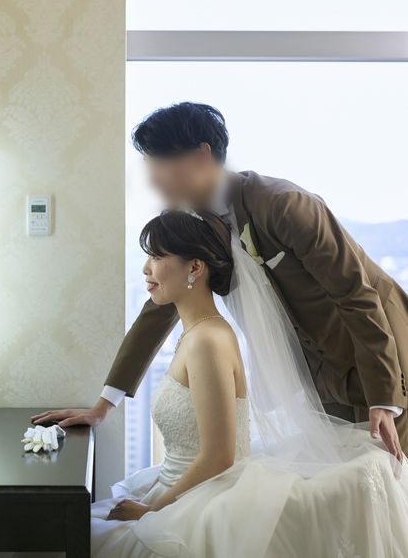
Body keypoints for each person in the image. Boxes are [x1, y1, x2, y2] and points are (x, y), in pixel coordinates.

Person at [33, 102, 408, 459]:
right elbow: (162, 303)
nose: (151, 178)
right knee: (347, 486)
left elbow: (355, 294)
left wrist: (383, 397)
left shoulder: (285, 205)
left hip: (385, 358)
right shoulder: (193, 222)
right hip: (320, 379)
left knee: (392, 475)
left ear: (201, 156)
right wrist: (103, 407)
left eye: (159, 163)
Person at [89, 210, 408, 557]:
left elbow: (219, 456)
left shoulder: (207, 341)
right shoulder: (197, 333)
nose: (146, 268)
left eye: (156, 256)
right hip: (183, 487)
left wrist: (152, 511)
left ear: (195, 267)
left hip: (201, 498)